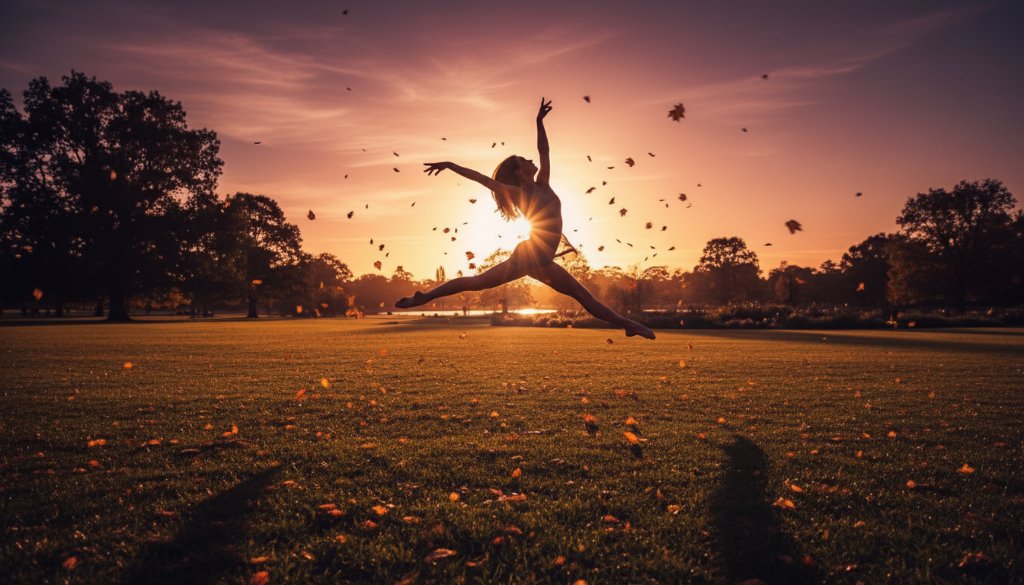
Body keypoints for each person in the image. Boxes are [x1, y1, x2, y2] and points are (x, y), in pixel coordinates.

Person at [396, 98, 655, 340]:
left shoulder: (543, 183)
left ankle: (627, 325)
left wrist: (539, 123)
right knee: (483, 284)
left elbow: (544, 151)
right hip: (532, 256)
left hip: (540, 258)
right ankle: (425, 296)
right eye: (524, 160)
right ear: (519, 173)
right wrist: (451, 165)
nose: (531, 160)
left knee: (577, 295)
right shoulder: (517, 193)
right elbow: (481, 179)